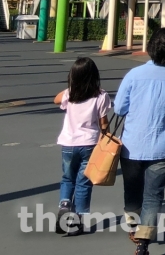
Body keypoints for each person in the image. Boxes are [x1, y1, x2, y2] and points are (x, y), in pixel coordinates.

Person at [114, 27, 165, 254]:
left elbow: (119, 107)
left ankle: (133, 225)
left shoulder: (133, 75)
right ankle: (143, 242)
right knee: (154, 194)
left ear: (150, 48)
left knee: (132, 190)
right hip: (163, 144)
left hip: (132, 144)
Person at [54, 58, 111, 235]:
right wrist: (106, 136)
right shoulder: (101, 96)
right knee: (84, 182)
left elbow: (56, 100)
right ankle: (78, 218)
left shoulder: (69, 94)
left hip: (68, 143)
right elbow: (103, 122)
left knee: (67, 178)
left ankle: (64, 204)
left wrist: (71, 87)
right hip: (89, 144)